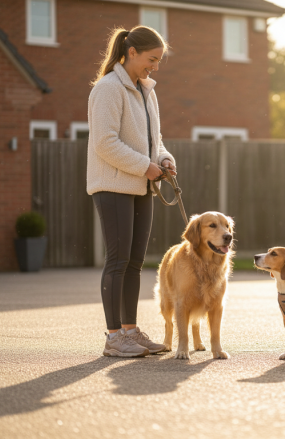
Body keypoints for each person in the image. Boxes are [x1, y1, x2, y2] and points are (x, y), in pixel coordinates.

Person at [87, 25, 175, 357]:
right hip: (112, 185)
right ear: (132, 52)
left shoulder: (145, 91)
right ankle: (114, 338)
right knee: (118, 260)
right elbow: (105, 143)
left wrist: (164, 159)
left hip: (142, 184)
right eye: (151, 59)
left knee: (135, 262)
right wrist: (145, 166)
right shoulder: (109, 88)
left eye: (159, 61)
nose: (154, 67)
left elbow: (155, 141)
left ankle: (129, 330)